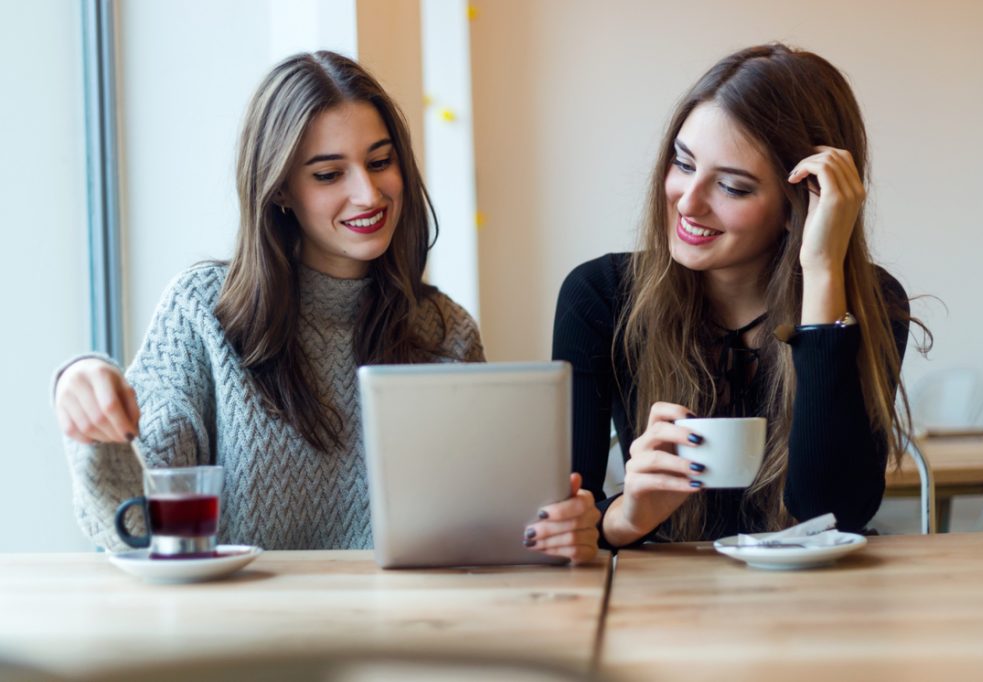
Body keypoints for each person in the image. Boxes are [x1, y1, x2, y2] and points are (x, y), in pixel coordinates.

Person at [55, 51, 599, 562]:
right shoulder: (203, 311)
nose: (368, 194)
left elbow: (482, 530)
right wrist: (88, 411)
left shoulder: (444, 329)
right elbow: (135, 527)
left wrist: (553, 528)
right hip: (243, 648)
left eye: (380, 161)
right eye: (328, 173)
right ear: (281, 191)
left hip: (406, 641)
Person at [553, 44, 924, 548]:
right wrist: (628, 516)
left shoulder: (870, 300)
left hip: (819, 604)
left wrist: (819, 272)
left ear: (800, 205)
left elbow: (836, 515)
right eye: (683, 163)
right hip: (661, 607)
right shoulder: (600, 295)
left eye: (731, 186)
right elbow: (565, 520)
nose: (688, 200)